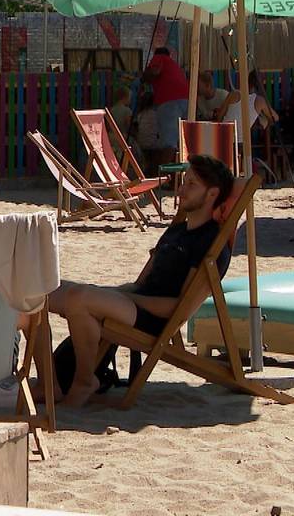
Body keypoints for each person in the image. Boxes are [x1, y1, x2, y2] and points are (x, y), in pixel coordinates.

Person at [48, 155, 235, 407]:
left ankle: (84, 381)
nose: (181, 189)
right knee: (50, 288)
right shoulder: (178, 230)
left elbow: (177, 308)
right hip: (133, 302)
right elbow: (142, 281)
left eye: (191, 184)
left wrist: (126, 296)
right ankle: (49, 383)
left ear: (212, 194)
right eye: (184, 181)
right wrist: (116, 292)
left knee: (79, 299)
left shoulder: (210, 244)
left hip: (153, 318)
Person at [142, 46, 189, 166]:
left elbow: (154, 72)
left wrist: (144, 76)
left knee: (168, 142)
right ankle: (176, 176)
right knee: (181, 141)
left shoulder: (159, 58)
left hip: (169, 101)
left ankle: (163, 178)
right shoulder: (174, 65)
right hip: (185, 100)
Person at [215, 70, 279, 144]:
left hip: (222, 137)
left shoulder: (234, 94)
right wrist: (267, 121)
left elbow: (219, 116)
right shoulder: (260, 101)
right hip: (240, 142)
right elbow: (275, 118)